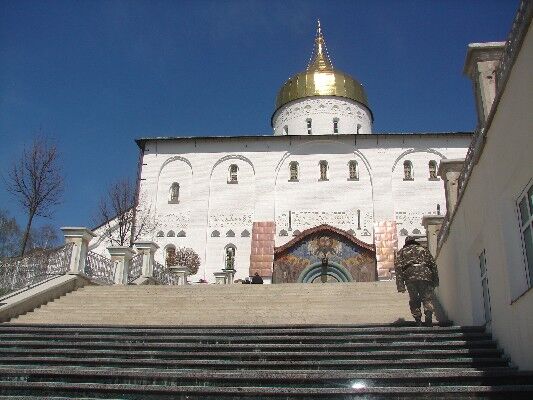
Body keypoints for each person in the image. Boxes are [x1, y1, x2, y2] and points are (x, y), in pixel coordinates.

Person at [395, 237, 439, 327]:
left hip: (410, 276)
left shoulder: (402, 252)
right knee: (427, 298)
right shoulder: (424, 249)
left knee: (414, 299)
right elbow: (433, 264)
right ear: (415, 242)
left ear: (406, 242)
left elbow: (398, 268)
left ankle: (418, 319)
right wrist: (435, 280)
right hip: (426, 275)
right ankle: (429, 314)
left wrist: (400, 285)